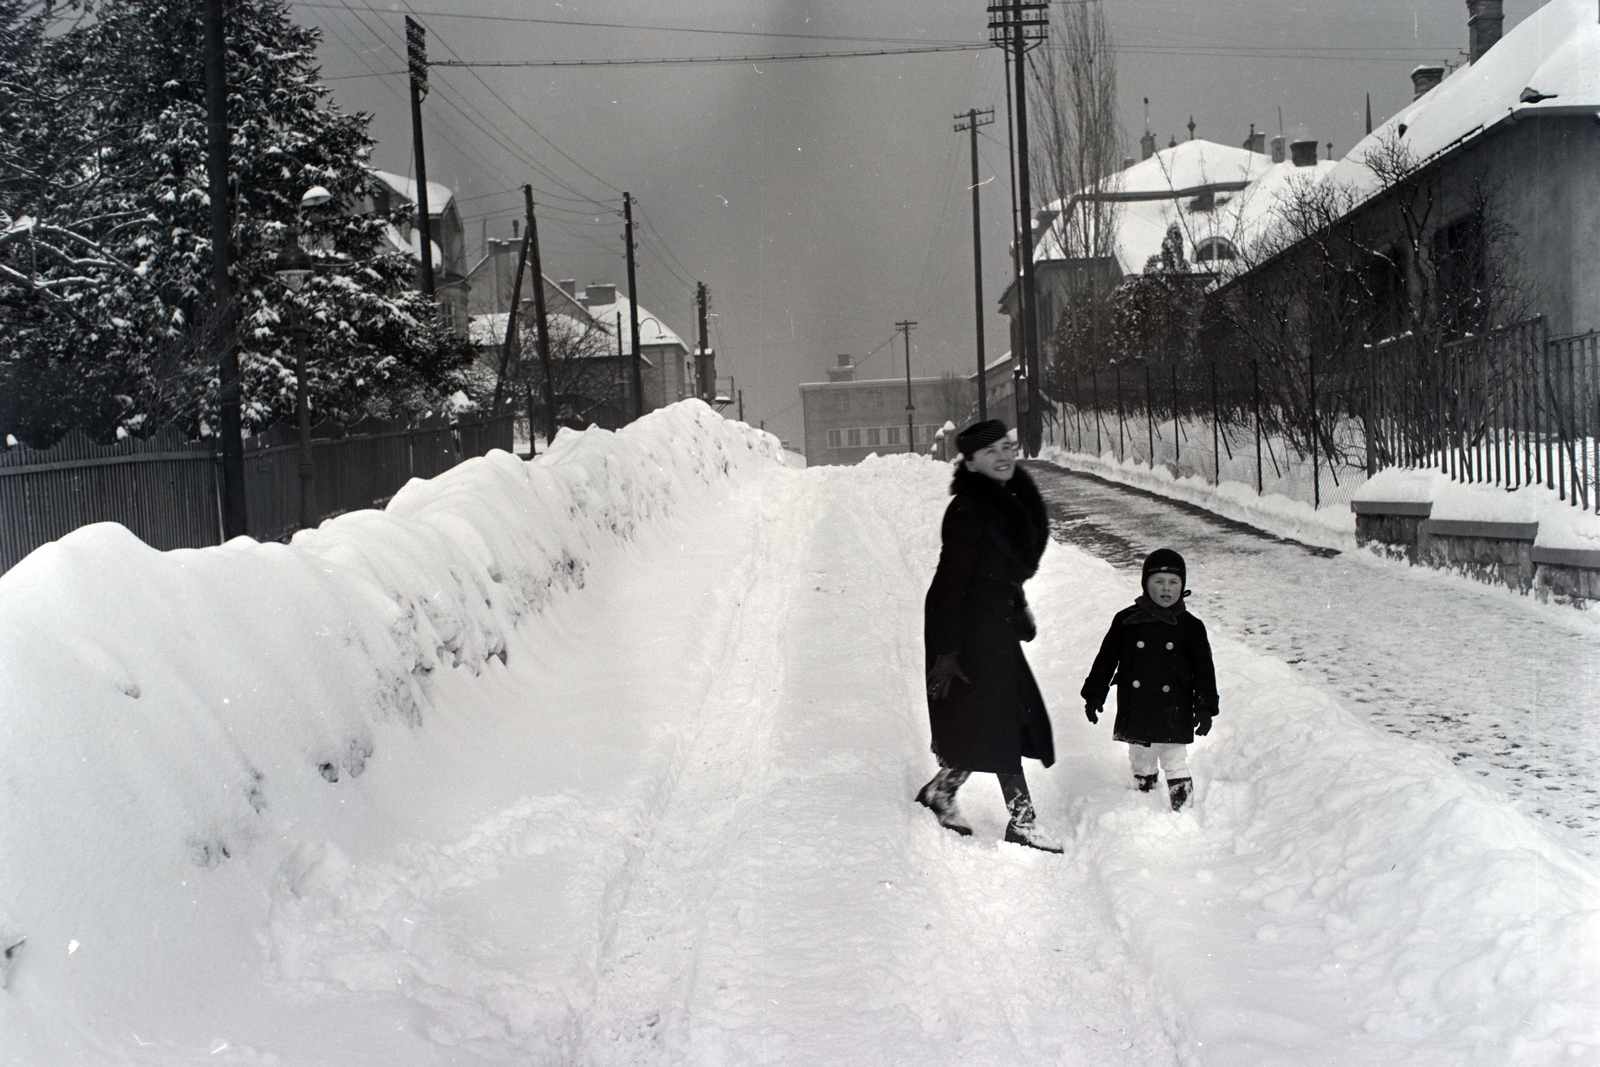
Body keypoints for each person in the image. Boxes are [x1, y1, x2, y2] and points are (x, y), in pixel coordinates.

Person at [915, 419, 1060, 852]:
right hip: (965, 626)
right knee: (1002, 719)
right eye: (992, 451)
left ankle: (942, 791)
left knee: (998, 717)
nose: (1004, 456)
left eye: (1008, 447)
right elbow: (950, 584)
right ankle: (1022, 821)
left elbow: (998, 568)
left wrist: (1020, 606)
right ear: (971, 461)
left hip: (993, 622)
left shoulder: (1008, 498)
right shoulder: (968, 509)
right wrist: (948, 652)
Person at [1080, 548, 1218, 812]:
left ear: (1182, 586)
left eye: (1173, 582)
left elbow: (1204, 671)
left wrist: (1204, 707)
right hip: (1137, 701)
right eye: (1158, 581)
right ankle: (1142, 802)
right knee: (1141, 756)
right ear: (1145, 584)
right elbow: (1106, 660)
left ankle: (1184, 812)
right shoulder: (1126, 620)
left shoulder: (1191, 627)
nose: (1166, 589)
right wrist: (1094, 695)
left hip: (1174, 705)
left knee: (1175, 758)